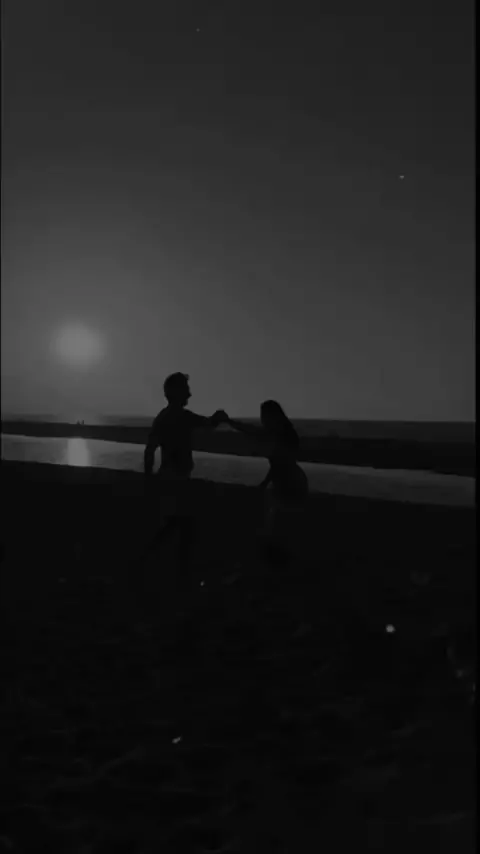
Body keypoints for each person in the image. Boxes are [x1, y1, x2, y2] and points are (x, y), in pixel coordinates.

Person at [139, 372, 227, 577]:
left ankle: (155, 561)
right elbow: (209, 423)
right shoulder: (181, 416)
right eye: (186, 389)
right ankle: (170, 567)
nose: (190, 394)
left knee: (175, 524)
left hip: (169, 478)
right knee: (183, 525)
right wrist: (219, 417)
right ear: (177, 392)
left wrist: (149, 478)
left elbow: (150, 449)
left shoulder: (163, 417)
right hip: (175, 479)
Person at [225, 400, 308, 562]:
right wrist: (229, 422)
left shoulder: (282, 435)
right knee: (277, 528)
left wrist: (266, 482)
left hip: (290, 483)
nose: (262, 419)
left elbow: (281, 463)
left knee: (279, 528)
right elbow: (250, 430)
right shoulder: (278, 433)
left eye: (265, 415)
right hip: (285, 482)